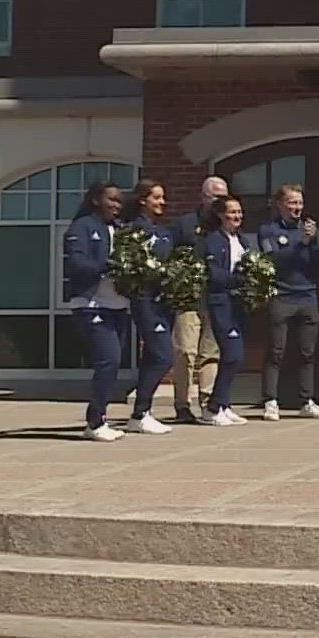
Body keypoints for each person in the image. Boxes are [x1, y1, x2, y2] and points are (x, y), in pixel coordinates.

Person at [64, 180, 131, 441]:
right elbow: (76, 264)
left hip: (118, 304)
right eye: (111, 199)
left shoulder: (120, 229)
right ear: (95, 200)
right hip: (91, 304)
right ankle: (95, 421)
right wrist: (108, 265)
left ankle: (100, 417)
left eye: (119, 201)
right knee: (108, 360)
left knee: (112, 364)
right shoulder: (81, 227)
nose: (116, 205)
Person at [257, 183, 319, 421]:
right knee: (276, 351)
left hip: (307, 296)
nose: (297, 208)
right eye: (291, 203)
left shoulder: (310, 231)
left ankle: (306, 400)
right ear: (280, 205)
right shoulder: (268, 231)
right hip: (281, 296)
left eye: (299, 203)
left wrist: (312, 242)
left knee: (307, 352)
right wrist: (302, 244)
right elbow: (275, 260)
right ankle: (270, 401)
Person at [169, 176, 226, 424]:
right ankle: (182, 405)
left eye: (223, 197)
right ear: (203, 197)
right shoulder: (185, 224)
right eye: (215, 196)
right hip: (188, 297)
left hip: (215, 297)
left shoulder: (226, 225)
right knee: (185, 351)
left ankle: (208, 403)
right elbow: (169, 256)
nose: (219, 202)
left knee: (211, 353)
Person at [121, 179, 175, 436]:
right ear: (143, 200)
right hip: (143, 300)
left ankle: (143, 412)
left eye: (163, 197)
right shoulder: (132, 230)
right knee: (163, 356)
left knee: (155, 356)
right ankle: (140, 412)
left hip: (163, 301)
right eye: (157, 197)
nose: (162, 202)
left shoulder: (163, 232)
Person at [201, 195, 257, 426]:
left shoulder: (242, 240)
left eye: (239, 212)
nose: (237, 216)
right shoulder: (213, 240)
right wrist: (238, 280)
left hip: (238, 303)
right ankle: (212, 408)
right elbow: (212, 272)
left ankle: (223, 404)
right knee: (232, 353)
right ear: (220, 215)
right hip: (220, 301)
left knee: (236, 355)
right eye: (232, 212)